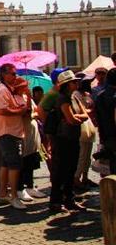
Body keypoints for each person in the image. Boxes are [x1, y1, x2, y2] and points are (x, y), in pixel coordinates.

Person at [49, 70, 89, 212]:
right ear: (66, 84)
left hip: (73, 136)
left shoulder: (74, 97)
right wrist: (77, 117)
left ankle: (69, 198)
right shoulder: (62, 99)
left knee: (71, 168)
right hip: (63, 138)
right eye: (73, 82)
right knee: (61, 170)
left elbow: (85, 114)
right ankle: (56, 201)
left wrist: (77, 117)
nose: (76, 83)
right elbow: (71, 119)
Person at [0, 64, 30, 210]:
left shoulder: (11, 91)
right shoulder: (2, 90)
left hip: (13, 131)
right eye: (13, 74)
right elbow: (2, 110)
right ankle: (14, 196)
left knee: (6, 164)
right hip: (7, 132)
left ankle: (3, 193)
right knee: (15, 165)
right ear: (4, 75)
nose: (15, 76)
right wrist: (19, 111)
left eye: (16, 74)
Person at [95, 68, 116, 174]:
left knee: (113, 164)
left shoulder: (100, 96)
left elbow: (98, 118)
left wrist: (102, 137)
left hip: (107, 135)